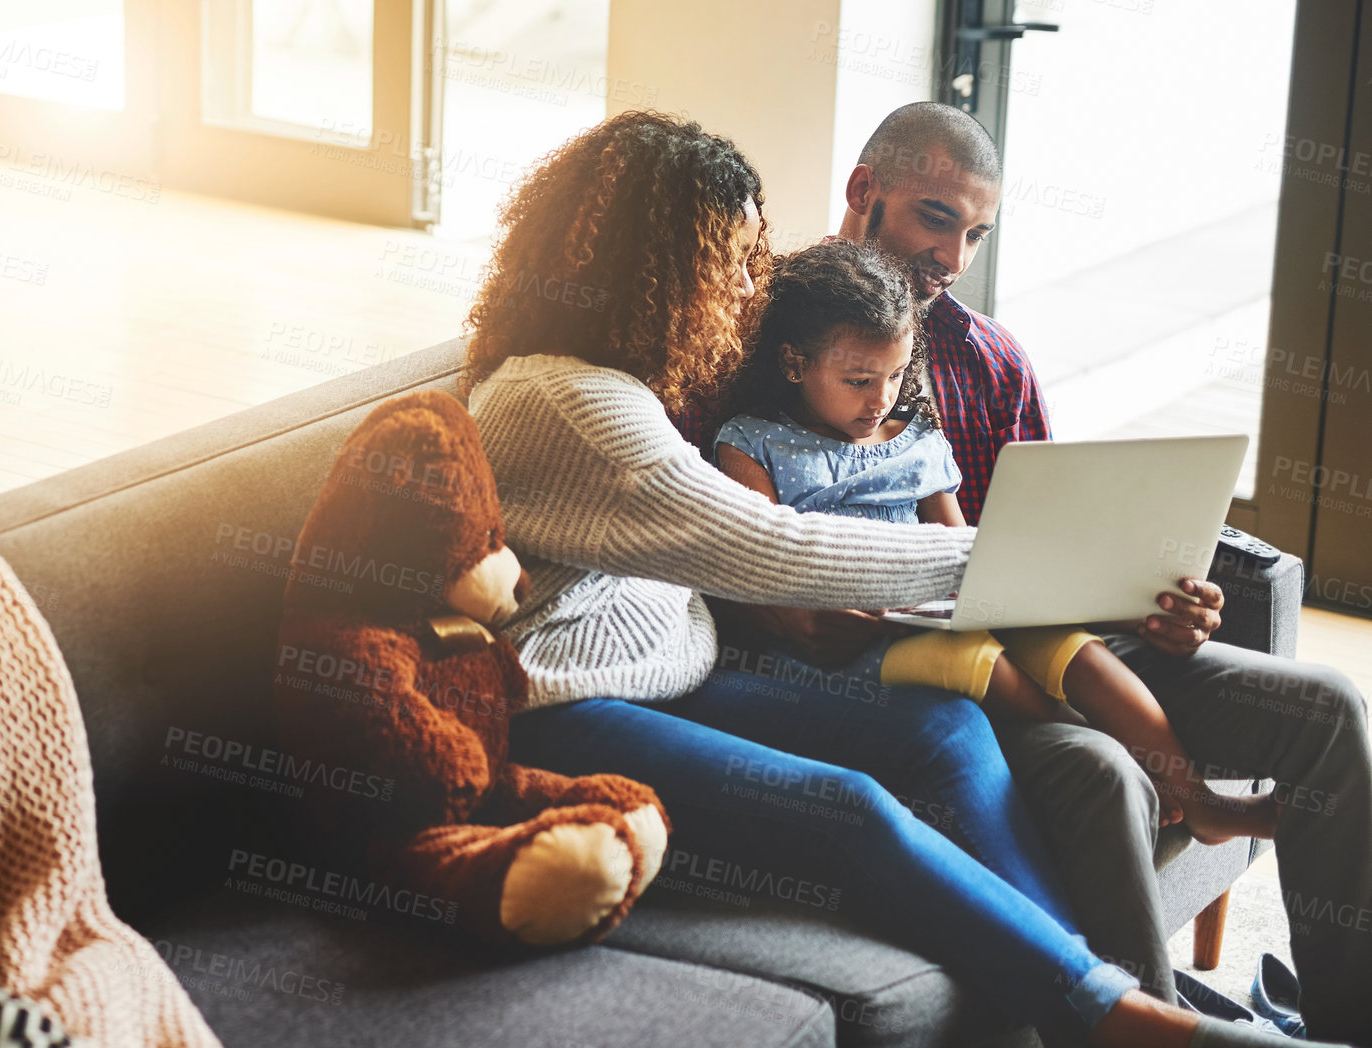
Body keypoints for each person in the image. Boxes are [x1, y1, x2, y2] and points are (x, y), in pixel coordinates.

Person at [466, 109, 1314, 1047]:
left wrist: (1095, 579)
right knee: (854, 806)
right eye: (732, 259)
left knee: (947, 727)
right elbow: (772, 547)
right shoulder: (563, 400)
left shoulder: (628, 383)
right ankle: (1109, 1013)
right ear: (658, 265)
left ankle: (1092, 992)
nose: (749, 285)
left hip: (679, 677)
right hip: (567, 704)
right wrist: (1037, 564)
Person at [724, 99, 1370, 1043]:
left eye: (976, 233)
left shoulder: (993, 364)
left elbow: (1052, 548)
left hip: (1067, 636)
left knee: (1332, 709)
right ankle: (1156, 1021)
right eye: (934, 218)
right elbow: (758, 556)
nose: (952, 257)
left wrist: (1158, 601)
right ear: (864, 193)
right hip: (950, 668)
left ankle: (1349, 1023)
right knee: (1105, 766)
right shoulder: (773, 344)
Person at [711, 238, 1279, 845]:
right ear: (795, 364)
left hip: (931, 611)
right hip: (846, 637)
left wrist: (1017, 598)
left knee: (1073, 647)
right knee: (971, 660)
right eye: (856, 380)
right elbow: (758, 561)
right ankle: (1116, 754)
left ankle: (1201, 801)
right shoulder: (750, 442)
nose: (879, 399)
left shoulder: (916, 438)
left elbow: (964, 554)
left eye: (896, 374)